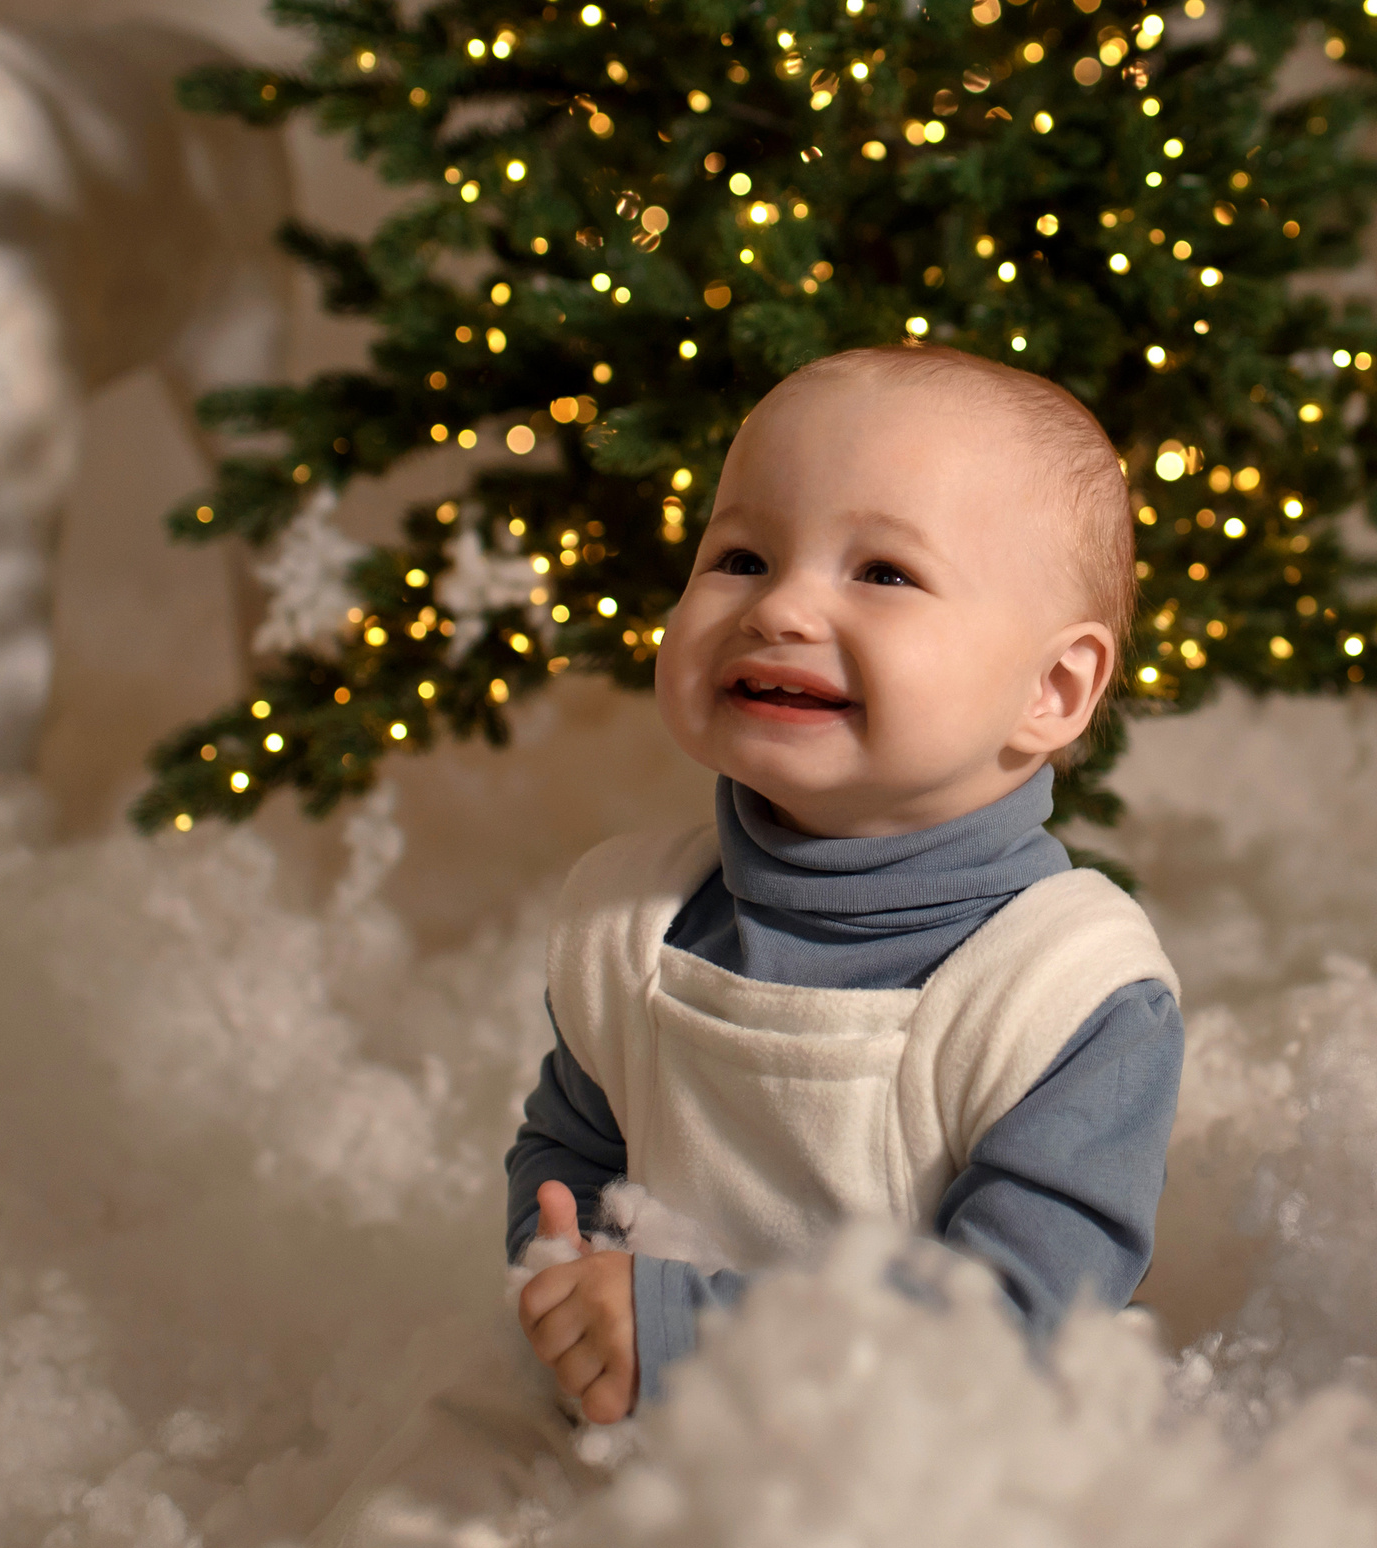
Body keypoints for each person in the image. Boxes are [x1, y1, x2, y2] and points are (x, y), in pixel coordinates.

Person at [507, 342, 1186, 1424]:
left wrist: (697, 1338)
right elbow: (573, 1150)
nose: (779, 610)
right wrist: (573, 1279)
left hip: (914, 1484)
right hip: (640, 1416)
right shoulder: (628, 924)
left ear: (1052, 690)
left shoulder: (1066, 994)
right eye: (739, 557)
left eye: (882, 573)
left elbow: (1016, 1330)